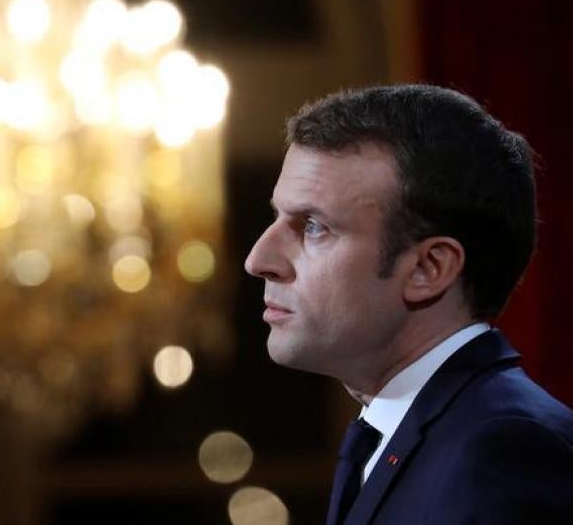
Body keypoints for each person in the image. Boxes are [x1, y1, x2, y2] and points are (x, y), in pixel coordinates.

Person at [244, 84, 573, 524]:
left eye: (314, 226)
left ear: (428, 268)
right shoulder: (406, 429)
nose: (258, 260)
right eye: (277, 217)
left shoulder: (504, 450)